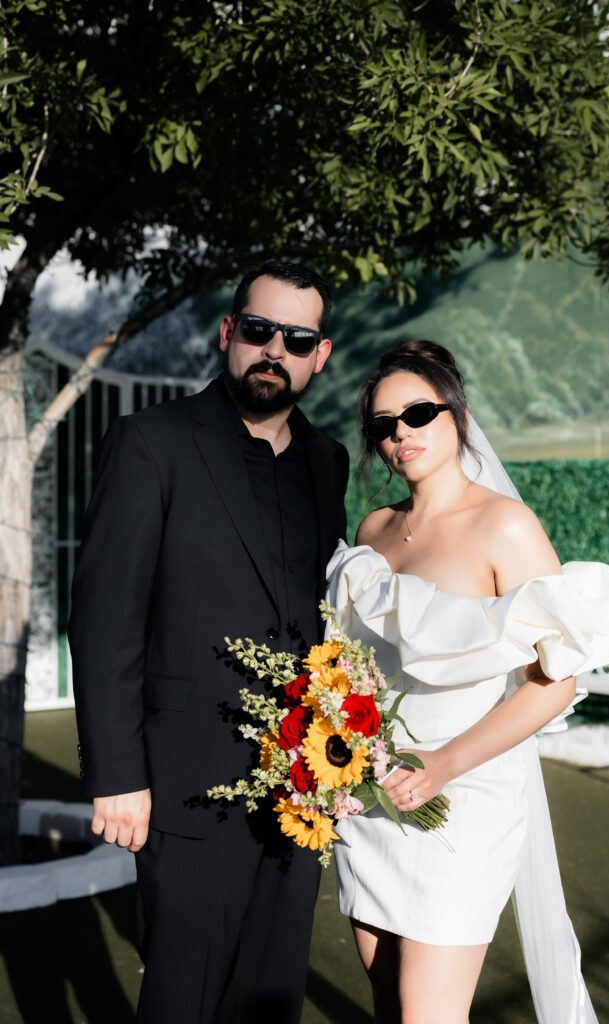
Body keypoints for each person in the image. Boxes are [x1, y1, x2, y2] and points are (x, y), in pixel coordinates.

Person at [68, 260, 349, 1023]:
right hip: (185, 782)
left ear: (318, 355)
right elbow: (104, 619)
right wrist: (116, 774)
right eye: (258, 331)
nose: (274, 351)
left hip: (300, 787)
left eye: (296, 339)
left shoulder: (328, 463)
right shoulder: (150, 442)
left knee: (269, 998)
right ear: (229, 333)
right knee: (181, 1000)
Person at [326, 339, 609, 1024]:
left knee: (425, 1016)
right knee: (385, 1004)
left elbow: (554, 683)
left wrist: (442, 764)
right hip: (372, 802)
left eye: (417, 413)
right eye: (381, 424)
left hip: (463, 800)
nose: (399, 433)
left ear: (455, 415)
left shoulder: (507, 526)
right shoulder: (373, 529)